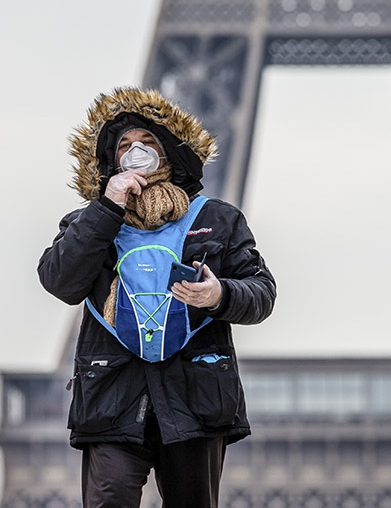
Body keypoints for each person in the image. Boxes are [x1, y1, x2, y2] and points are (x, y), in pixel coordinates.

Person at [37, 87, 276, 508]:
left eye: (147, 143)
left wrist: (218, 294)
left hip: (193, 398)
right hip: (113, 396)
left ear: (170, 153)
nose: (136, 152)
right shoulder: (87, 222)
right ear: (111, 162)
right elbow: (60, 281)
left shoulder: (217, 220)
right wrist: (107, 206)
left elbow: (261, 292)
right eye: (125, 146)